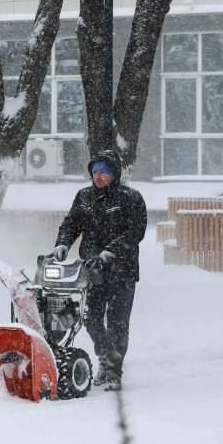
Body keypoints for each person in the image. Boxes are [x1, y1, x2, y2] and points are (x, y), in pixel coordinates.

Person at [51, 149, 147, 391]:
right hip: (93, 270)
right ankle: (104, 357)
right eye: (95, 171)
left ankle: (114, 371)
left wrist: (110, 251)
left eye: (104, 172)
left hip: (122, 271)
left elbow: (135, 232)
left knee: (117, 322)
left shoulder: (131, 198)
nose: (99, 176)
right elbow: (71, 223)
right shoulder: (84, 197)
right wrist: (63, 243)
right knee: (91, 318)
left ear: (114, 173)